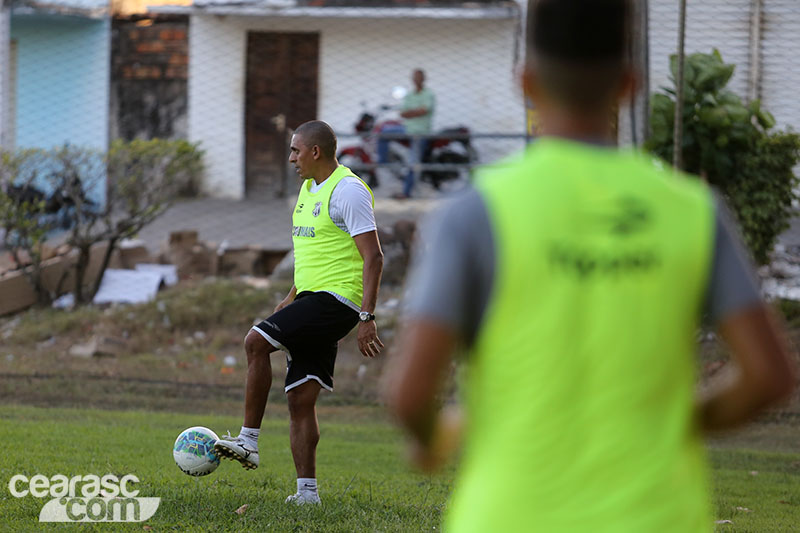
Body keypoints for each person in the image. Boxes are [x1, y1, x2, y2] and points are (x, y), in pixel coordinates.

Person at [387, 1, 797, 531]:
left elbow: (408, 395)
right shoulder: (694, 210)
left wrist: (432, 438)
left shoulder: (473, 213)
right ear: (629, 85)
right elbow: (769, 376)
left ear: (527, 84)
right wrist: (675, 421)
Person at [215, 120, 385, 505]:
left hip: (338, 302)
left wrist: (366, 316)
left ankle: (248, 441)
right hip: (311, 299)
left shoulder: (348, 190)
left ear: (315, 152)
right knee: (300, 398)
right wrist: (292, 296)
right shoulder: (308, 190)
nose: (290, 158)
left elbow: (374, 257)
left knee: (256, 342)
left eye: (295, 151)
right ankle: (307, 493)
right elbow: (314, 252)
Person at [378, 69, 435, 198]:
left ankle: (406, 193)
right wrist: (415, 112)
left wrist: (412, 113)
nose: (416, 79)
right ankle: (383, 162)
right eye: (414, 77)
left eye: (419, 77)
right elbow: (404, 113)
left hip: (421, 132)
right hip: (407, 129)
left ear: (424, 79)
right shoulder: (410, 95)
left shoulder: (428, 94)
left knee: (413, 162)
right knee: (383, 132)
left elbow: (424, 110)